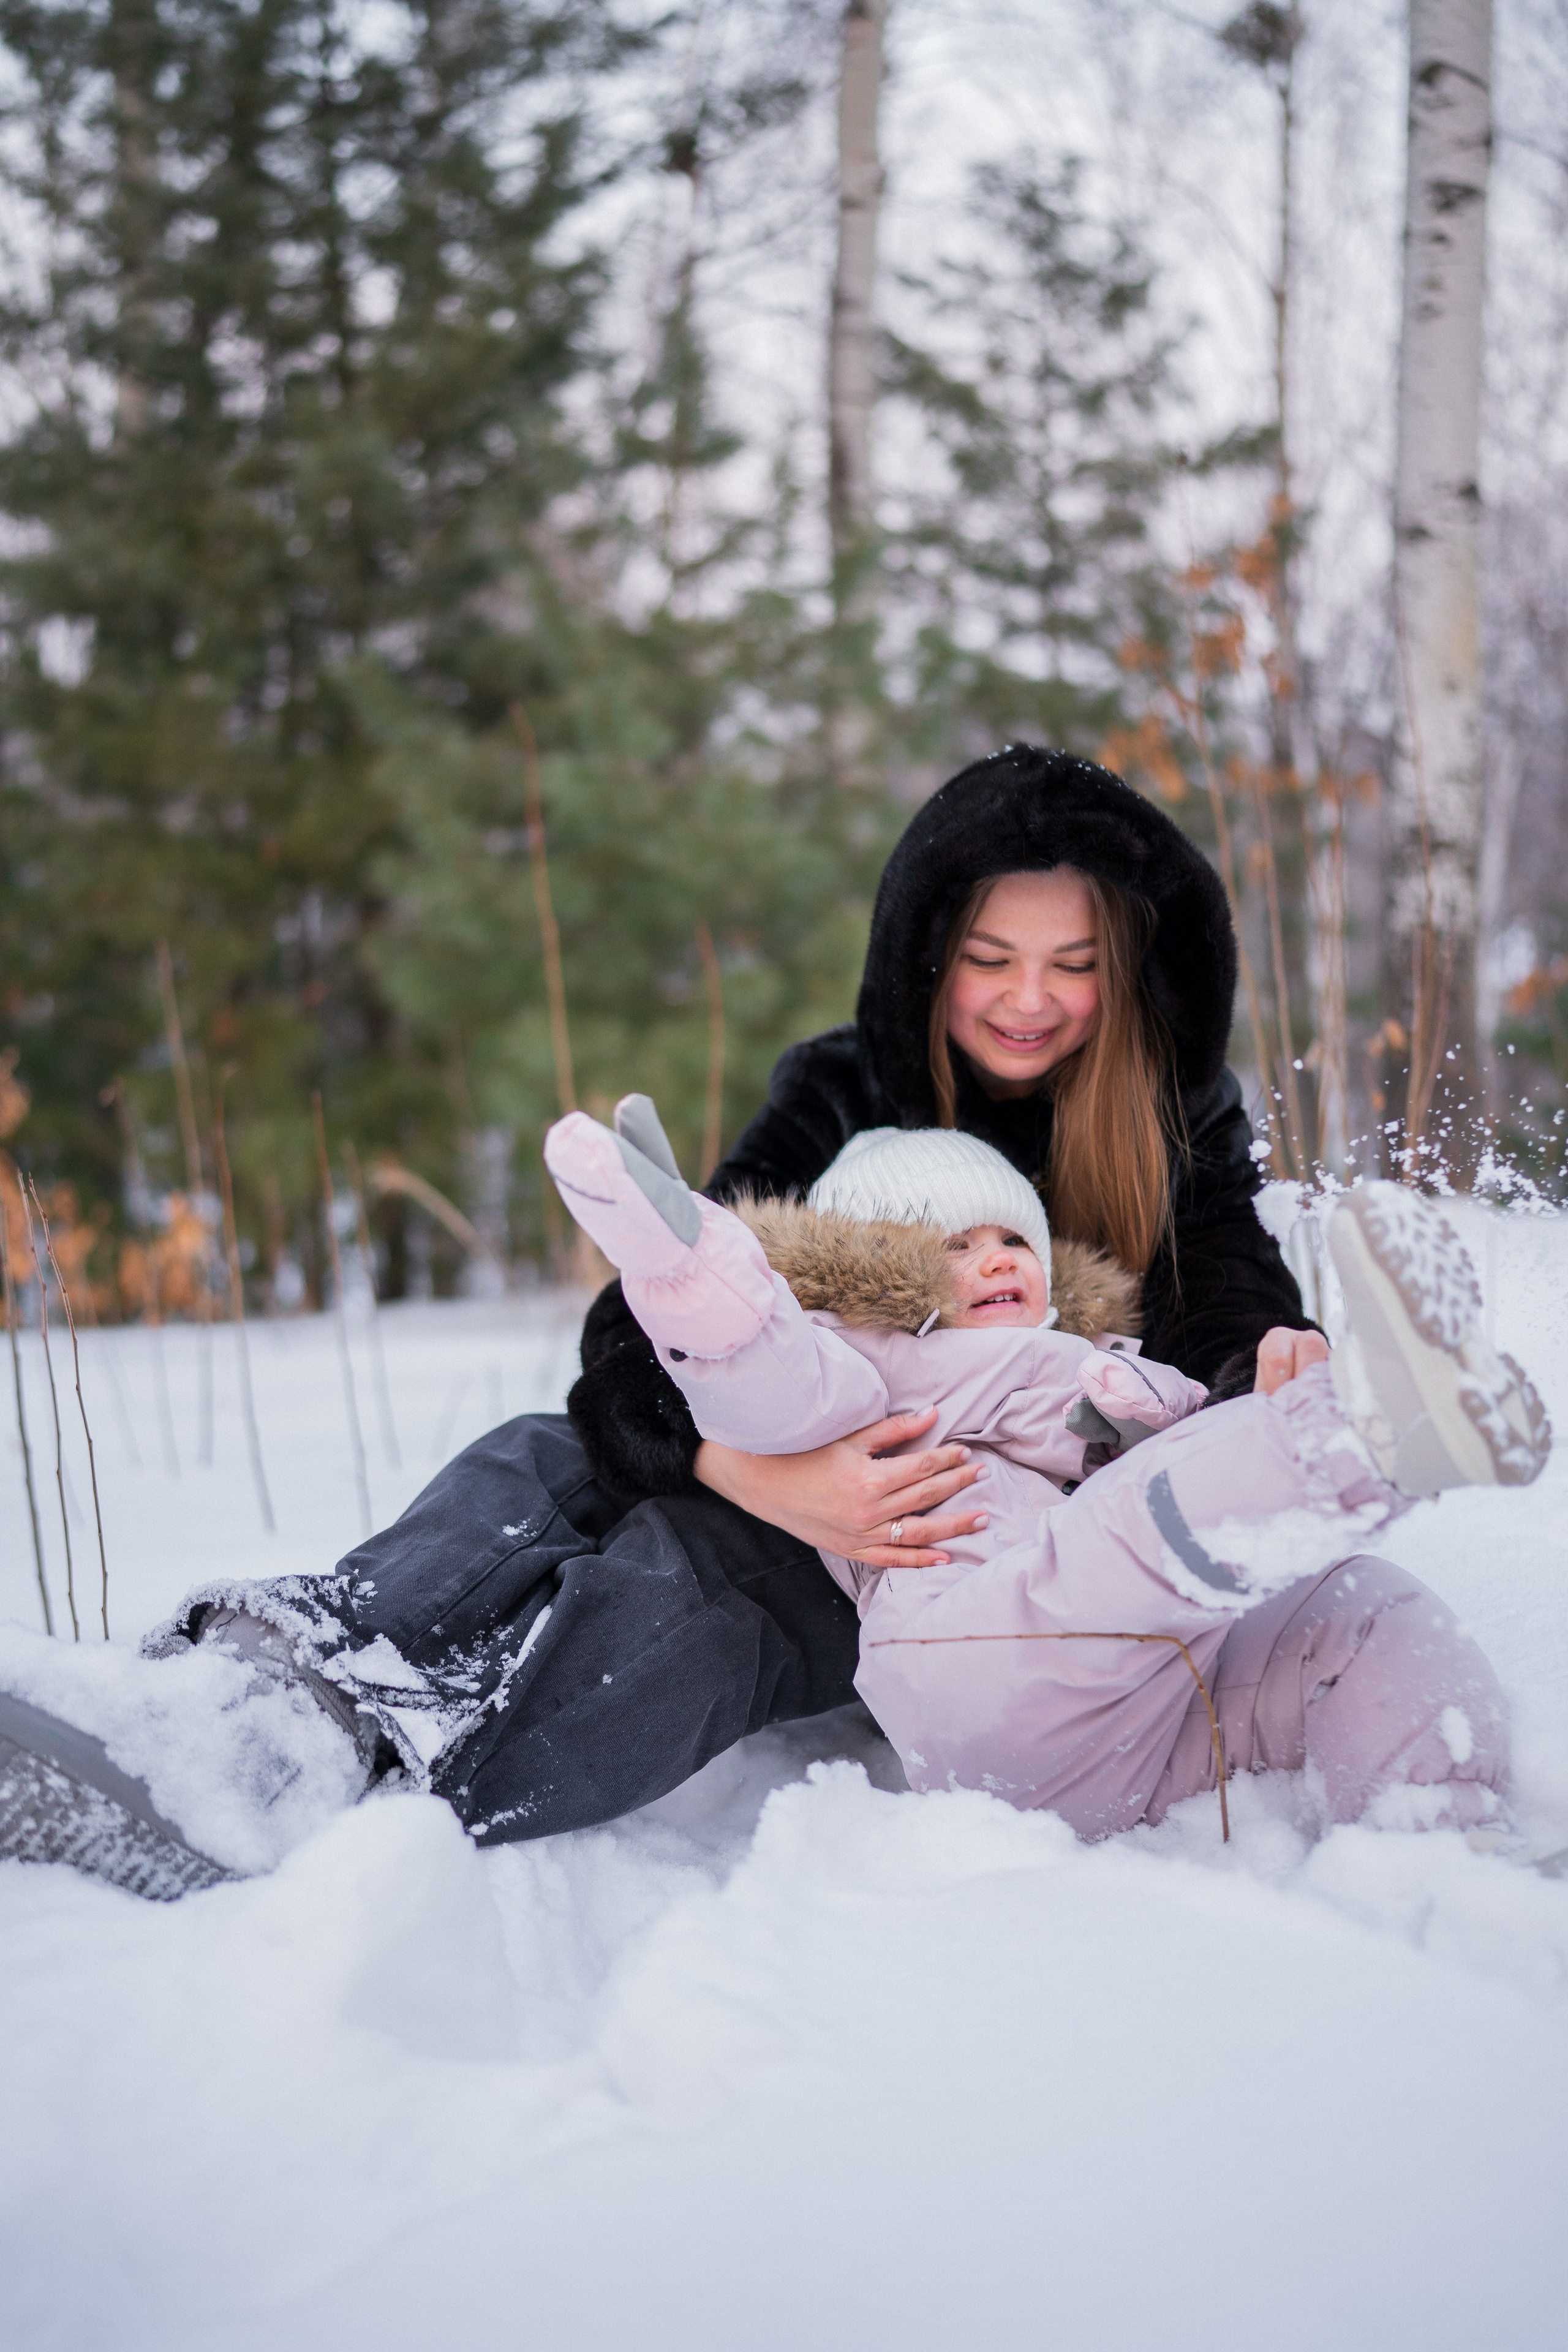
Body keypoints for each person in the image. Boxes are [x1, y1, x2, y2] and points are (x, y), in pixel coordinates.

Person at [0, 747, 1357, 1898]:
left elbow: (1226, 1306)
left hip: (951, 1555)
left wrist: (1276, 1361)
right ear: (927, 955)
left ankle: (347, 1815)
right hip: (794, 1466)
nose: (1028, 999)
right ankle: (248, 1703)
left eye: (1072, 965)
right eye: (989, 957)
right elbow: (642, 1325)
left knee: (691, 1585)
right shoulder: (841, 1089)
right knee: (547, 1457)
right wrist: (758, 1470)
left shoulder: (1167, 1129)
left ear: (1126, 974)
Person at [544, 1096, 1546, 1836]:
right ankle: (1375, 1430)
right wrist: (686, 1270)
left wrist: (1249, 1405)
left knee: (1357, 1610)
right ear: (874, 1274)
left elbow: (1186, 1458)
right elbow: (761, 1376)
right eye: (954, 1244)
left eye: (1012, 1238)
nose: (996, 1259)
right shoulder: (864, 1366)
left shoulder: (1104, 1372)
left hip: (1159, 1711)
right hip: (984, 1672)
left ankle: (1440, 1838)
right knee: (1122, 1535)